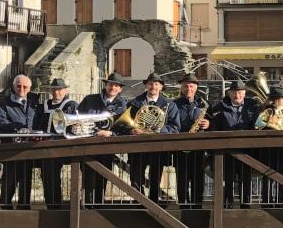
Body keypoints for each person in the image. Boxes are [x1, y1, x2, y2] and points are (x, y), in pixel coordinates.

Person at [126, 72, 181, 204]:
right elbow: (125, 123)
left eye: (156, 84)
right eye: (150, 84)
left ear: (161, 87)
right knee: (136, 177)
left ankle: (153, 204)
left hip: (158, 147)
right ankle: (140, 204)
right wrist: (132, 130)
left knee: (156, 178)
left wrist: (157, 129)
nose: (153, 87)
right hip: (138, 147)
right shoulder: (134, 103)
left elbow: (175, 127)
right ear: (146, 85)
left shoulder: (169, 105)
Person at [77, 72, 127, 205]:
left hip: (107, 147)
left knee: (103, 178)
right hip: (88, 145)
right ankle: (86, 206)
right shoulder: (90, 99)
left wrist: (110, 133)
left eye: (116, 86)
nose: (113, 88)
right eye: (111, 84)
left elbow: (124, 127)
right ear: (106, 85)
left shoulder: (122, 105)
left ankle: (99, 206)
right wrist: (93, 130)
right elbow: (78, 119)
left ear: (120, 89)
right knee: (88, 178)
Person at [207, 80, 258, 207]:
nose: (237, 95)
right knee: (227, 180)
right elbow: (214, 128)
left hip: (247, 150)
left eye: (240, 92)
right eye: (234, 92)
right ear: (229, 93)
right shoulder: (219, 107)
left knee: (245, 181)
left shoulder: (254, 106)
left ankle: (246, 207)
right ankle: (227, 207)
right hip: (226, 152)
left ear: (245, 93)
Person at [0, 74, 37, 210]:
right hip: (11, 146)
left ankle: (24, 206)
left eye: (25, 86)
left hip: (28, 148)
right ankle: (5, 206)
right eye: (18, 86)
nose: (21, 89)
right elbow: (0, 122)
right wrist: (17, 127)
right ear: (13, 87)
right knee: (9, 178)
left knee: (26, 178)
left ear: (29, 88)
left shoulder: (34, 103)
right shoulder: (3, 103)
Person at [34, 78, 77, 210]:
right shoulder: (44, 105)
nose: (57, 92)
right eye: (54, 90)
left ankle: (68, 205)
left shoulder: (72, 105)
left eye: (59, 89)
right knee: (48, 176)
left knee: (67, 176)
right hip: (47, 145)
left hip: (65, 145)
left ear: (65, 90)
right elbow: (37, 124)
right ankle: (51, 205)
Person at [255, 86, 283, 205]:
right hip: (269, 149)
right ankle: (267, 202)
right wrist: (271, 122)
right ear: (275, 99)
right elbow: (258, 125)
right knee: (268, 177)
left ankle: (282, 202)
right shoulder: (267, 110)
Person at [173, 73, 209, 209]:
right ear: (182, 88)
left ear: (196, 88)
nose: (189, 89)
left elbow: (213, 121)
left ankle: (197, 207)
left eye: (191, 86)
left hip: (198, 149)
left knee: (198, 180)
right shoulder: (174, 104)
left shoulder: (202, 104)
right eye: (186, 86)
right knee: (181, 180)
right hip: (180, 149)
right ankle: (183, 207)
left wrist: (208, 124)